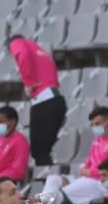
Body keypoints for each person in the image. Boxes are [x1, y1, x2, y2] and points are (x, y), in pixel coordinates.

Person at [40, 106, 108, 204]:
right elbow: (89, 160)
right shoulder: (97, 139)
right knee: (53, 179)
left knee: (58, 195)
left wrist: (91, 172)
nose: (95, 127)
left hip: (101, 183)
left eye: (97, 123)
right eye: (92, 125)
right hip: (87, 179)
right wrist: (84, 169)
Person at [9, 35, 66, 166]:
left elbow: (22, 55)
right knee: (42, 150)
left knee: (39, 150)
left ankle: (48, 182)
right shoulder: (40, 51)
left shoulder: (18, 43)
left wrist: (28, 83)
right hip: (54, 98)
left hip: (44, 101)